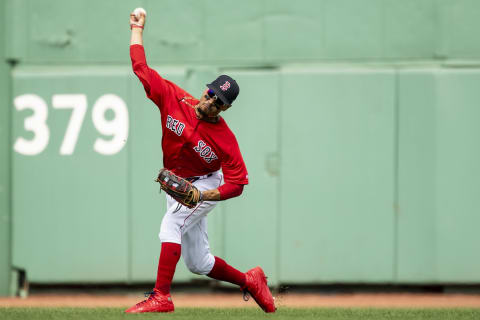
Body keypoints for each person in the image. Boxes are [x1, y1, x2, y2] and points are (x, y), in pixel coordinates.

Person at [125, 9, 276, 313]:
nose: (211, 102)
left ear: (226, 108)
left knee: (171, 225)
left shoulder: (225, 138)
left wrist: (204, 196)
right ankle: (250, 281)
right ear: (206, 89)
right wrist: (137, 29)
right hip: (177, 183)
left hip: (205, 184)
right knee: (199, 262)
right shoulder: (173, 98)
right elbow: (141, 68)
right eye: (211, 94)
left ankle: (161, 296)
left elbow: (238, 183)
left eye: (219, 102)